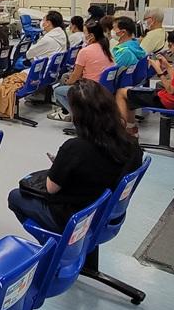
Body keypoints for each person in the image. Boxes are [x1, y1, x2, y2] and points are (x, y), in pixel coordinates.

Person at [9, 80, 143, 232]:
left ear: (77, 115)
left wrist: (60, 166)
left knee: (15, 197)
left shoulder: (75, 148)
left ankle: (58, 243)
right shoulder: (131, 143)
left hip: (79, 220)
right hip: (108, 216)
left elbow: (51, 188)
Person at [116, 29, 174, 136]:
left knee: (121, 92)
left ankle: (123, 133)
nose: (170, 49)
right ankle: (131, 129)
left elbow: (171, 90)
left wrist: (158, 70)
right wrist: (168, 66)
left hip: (168, 101)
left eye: (171, 45)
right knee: (131, 94)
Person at [0, 11, 68, 119]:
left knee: (7, 82)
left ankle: (3, 107)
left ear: (48, 23)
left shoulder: (48, 39)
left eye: (44, 19)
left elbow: (29, 53)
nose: (42, 22)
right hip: (51, 73)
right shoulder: (62, 35)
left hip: (38, 74)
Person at [48, 20, 115, 121]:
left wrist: (68, 82)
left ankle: (80, 118)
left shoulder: (85, 51)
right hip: (104, 88)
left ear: (91, 36)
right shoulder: (105, 48)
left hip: (90, 90)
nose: (83, 35)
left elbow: (75, 76)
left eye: (84, 33)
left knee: (58, 91)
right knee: (67, 77)